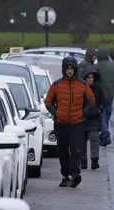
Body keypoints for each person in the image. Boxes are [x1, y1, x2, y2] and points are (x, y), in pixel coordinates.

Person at [44, 56, 96, 188]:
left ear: (75, 69)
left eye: (72, 68)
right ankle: (65, 175)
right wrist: (56, 113)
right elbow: (48, 102)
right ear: (64, 69)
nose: (69, 71)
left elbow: (91, 101)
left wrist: (83, 113)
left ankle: (75, 174)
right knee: (62, 150)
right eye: (67, 69)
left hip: (76, 123)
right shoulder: (56, 85)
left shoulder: (82, 84)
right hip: (61, 123)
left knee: (75, 149)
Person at [93, 47, 114, 146]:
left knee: (101, 115)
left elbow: (94, 80)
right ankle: (104, 134)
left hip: (101, 94)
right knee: (107, 114)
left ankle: (105, 134)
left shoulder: (97, 66)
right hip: (111, 94)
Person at [81, 68, 105, 170]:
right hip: (82, 118)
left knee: (94, 140)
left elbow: (103, 102)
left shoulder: (98, 89)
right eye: (88, 78)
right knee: (81, 141)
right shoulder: (81, 89)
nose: (90, 80)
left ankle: (95, 161)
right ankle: (83, 162)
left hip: (94, 118)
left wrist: (99, 110)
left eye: (92, 77)